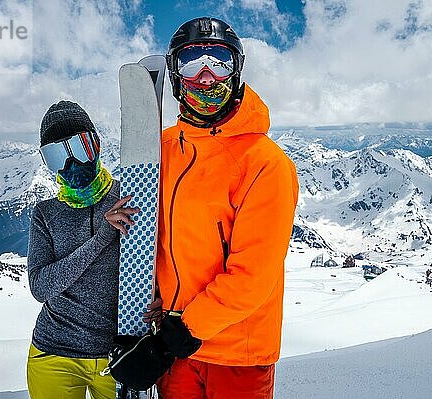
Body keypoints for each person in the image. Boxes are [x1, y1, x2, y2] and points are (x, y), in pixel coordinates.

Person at [150, 17, 299, 398]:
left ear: (236, 71)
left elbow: (254, 273)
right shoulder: (162, 150)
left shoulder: (264, 163)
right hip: (174, 344)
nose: (205, 76)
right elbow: (155, 241)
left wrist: (180, 334)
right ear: (174, 74)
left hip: (237, 351)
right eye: (191, 62)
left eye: (218, 60)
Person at [26, 100, 138, 399]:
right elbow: (40, 286)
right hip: (53, 354)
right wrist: (102, 237)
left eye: (79, 147)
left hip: (117, 356)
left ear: (97, 145)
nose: (71, 164)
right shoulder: (45, 213)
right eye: (56, 156)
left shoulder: (131, 196)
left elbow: (159, 258)